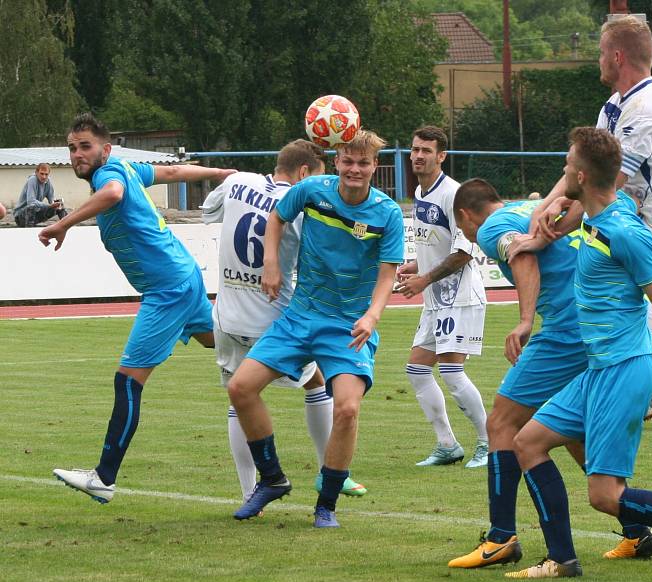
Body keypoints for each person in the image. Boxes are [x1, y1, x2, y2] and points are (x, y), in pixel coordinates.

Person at [508, 15, 652, 558]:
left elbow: (609, 194)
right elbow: (579, 176)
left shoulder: (644, 111)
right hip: (639, 237)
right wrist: (544, 214)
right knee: (636, 369)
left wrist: (542, 231)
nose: (595, 57)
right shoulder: (617, 105)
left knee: (646, 369)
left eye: (598, 49)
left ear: (616, 56)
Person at [42, 113, 236, 503]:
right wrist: (217, 172)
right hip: (181, 275)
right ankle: (293, 346)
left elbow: (112, 194)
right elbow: (173, 171)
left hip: (167, 289)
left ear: (105, 149)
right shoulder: (127, 167)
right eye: (72, 148)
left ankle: (104, 477)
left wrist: (64, 224)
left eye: (85, 147)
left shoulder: (108, 175)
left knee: (128, 381)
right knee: (221, 342)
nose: (78, 154)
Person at [227, 129, 404, 528]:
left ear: (375, 166)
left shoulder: (387, 213)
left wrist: (373, 315)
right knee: (240, 388)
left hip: (348, 327)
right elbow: (277, 217)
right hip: (300, 316)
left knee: (346, 408)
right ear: (337, 160)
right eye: (348, 161)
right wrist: (271, 262)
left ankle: (326, 504)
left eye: (363, 163)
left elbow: (387, 273)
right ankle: (271, 480)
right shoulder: (311, 190)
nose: (354, 169)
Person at [201, 139, 365, 500]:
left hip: (227, 316)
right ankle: (332, 469)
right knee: (317, 383)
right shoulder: (304, 205)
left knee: (238, 398)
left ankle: (249, 492)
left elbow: (207, 212)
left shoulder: (237, 182)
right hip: (275, 317)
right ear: (305, 173)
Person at [446, 180, 589, 568]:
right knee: (573, 433)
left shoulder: (491, 227)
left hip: (564, 332)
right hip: (596, 324)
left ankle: (500, 537)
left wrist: (525, 320)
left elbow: (520, 256)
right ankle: (635, 528)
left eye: (464, 232)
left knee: (502, 424)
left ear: (465, 216)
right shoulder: (525, 210)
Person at [395, 126, 488, 468]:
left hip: (460, 297)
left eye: (426, 151)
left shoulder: (454, 194)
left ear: (442, 156)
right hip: (436, 299)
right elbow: (440, 246)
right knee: (417, 370)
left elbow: (463, 252)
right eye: (415, 149)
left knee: (450, 371)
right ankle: (447, 444)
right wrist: (415, 265)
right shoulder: (421, 193)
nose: (418, 156)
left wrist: (424, 279)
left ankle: (488, 442)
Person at [14, 163, 68, 227]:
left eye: (46, 174)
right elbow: (31, 202)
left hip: (35, 215)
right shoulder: (32, 180)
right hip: (21, 217)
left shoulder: (48, 182)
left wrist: (57, 204)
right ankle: (28, 230)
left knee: (59, 207)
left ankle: (67, 226)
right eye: (42, 173)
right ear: (36, 172)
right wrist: (49, 206)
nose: (44, 176)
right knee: (32, 207)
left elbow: (52, 201)